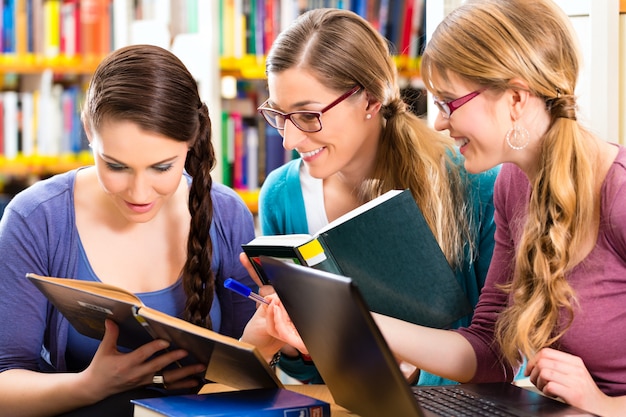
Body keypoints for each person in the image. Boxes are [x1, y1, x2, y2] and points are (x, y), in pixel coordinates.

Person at [244, 0, 626, 415]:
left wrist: (605, 405)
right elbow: (486, 349)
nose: (440, 123)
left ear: (516, 98)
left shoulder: (617, 190)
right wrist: (340, 318)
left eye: (449, 103)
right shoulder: (515, 185)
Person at [245, 7, 500, 386]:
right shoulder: (281, 195)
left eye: (308, 116)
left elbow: (508, 350)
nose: (289, 139)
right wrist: (293, 340)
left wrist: (417, 371)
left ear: (370, 99)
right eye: (279, 115)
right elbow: (312, 373)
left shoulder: (474, 184)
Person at [0, 44, 258, 417]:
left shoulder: (227, 212)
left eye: (162, 167)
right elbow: (5, 383)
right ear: (89, 130)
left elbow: (245, 375)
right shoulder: (35, 219)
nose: (139, 194)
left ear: (191, 141)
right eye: (116, 166)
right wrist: (90, 384)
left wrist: (264, 341)